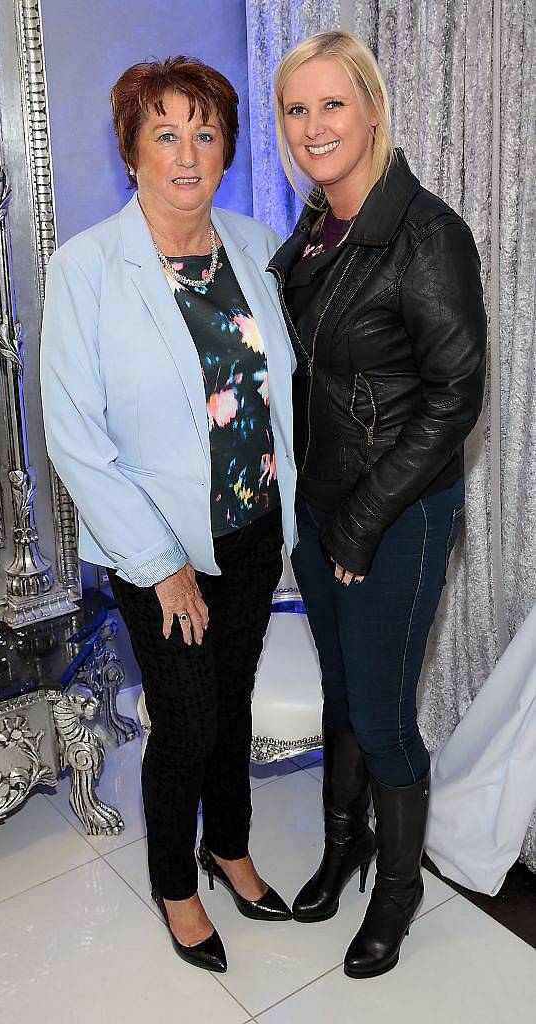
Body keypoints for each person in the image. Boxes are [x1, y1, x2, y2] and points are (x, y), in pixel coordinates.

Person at [40, 56, 298, 974]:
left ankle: (226, 848)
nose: (188, 153)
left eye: (205, 131)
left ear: (226, 146)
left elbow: (277, 394)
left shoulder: (254, 242)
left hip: (253, 529)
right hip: (162, 551)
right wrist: (161, 560)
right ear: (131, 150)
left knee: (229, 708)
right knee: (185, 721)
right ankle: (174, 884)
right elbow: (75, 437)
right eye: (165, 132)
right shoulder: (88, 268)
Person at [269, 30, 486, 978]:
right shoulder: (315, 230)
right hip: (322, 512)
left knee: (388, 715)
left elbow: (455, 394)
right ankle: (344, 844)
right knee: (345, 693)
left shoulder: (425, 231)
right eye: (296, 108)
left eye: (331, 104)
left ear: (370, 109)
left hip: (396, 514)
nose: (314, 125)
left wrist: (362, 518)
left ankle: (397, 891)